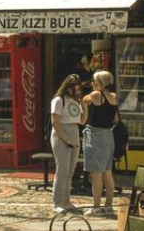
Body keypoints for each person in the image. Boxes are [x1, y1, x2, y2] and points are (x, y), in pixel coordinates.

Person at [81, 71, 120, 215]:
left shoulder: (96, 95)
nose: (92, 84)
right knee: (107, 173)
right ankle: (108, 205)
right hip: (108, 136)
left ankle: (96, 206)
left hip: (96, 135)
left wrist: (85, 106)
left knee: (96, 174)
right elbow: (115, 119)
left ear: (102, 83)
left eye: (95, 81)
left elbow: (84, 99)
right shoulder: (113, 96)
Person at [49, 73, 84, 214]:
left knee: (70, 170)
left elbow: (82, 121)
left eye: (77, 87)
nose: (76, 89)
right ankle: (57, 202)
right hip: (61, 132)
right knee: (62, 170)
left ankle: (66, 200)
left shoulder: (76, 100)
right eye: (73, 87)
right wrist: (66, 139)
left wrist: (85, 107)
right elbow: (55, 122)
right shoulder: (59, 100)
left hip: (74, 130)